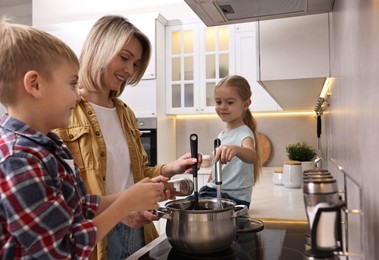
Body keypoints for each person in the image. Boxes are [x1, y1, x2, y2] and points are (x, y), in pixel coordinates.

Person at [0, 19, 168, 259]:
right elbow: (64, 249)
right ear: (35, 85)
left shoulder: (50, 146)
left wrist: (131, 196)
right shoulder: (19, 159)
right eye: (72, 83)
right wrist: (124, 205)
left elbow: (79, 205)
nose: (76, 95)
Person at [53, 15, 200, 260]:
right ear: (100, 49)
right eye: (124, 57)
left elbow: (135, 175)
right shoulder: (65, 109)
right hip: (98, 236)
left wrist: (170, 168)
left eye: (135, 63)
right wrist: (122, 210)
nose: (130, 70)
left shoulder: (124, 112)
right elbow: (64, 194)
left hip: (139, 228)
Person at [198, 75, 261, 208]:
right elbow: (216, 167)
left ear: (246, 104)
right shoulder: (222, 135)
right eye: (218, 102)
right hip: (214, 191)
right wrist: (208, 184)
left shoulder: (245, 132)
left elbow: (252, 155)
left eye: (230, 102)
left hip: (235, 197)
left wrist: (236, 149)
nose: (223, 107)